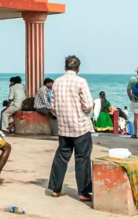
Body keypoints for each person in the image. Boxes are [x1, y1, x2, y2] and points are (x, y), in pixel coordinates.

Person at [48, 55, 94, 201]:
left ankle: (55, 189)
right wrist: (83, 112)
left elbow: (53, 107)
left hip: (64, 127)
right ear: (78, 68)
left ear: (65, 67)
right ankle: (83, 192)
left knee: (61, 157)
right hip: (80, 126)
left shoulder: (57, 82)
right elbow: (88, 105)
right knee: (82, 159)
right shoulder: (81, 81)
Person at [127, 66, 138, 139]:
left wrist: (131, 97)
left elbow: (128, 90)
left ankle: (136, 133)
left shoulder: (132, 79)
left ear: (137, 72)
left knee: (136, 117)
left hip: (135, 100)